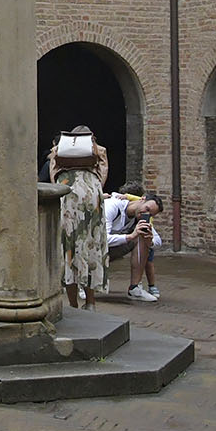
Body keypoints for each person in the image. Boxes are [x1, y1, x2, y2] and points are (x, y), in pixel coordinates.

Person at [48, 126, 107, 310]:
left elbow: (53, 174)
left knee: (68, 247)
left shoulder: (58, 150)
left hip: (67, 191)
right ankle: (90, 303)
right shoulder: (99, 150)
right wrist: (95, 190)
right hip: (91, 193)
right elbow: (103, 174)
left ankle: (73, 304)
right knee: (91, 245)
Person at [105, 191, 162, 302]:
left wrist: (149, 240)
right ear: (142, 199)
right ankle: (84, 282)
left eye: (150, 214)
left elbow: (158, 241)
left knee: (142, 236)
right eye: (147, 208)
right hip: (91, 248)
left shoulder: (141, 218)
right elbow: (103, 239)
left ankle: (134, 288)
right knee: (136, 235)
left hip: (110, 251)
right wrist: (130, 236)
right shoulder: (112, 206)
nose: (146, 213)